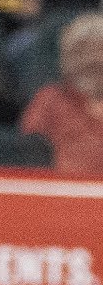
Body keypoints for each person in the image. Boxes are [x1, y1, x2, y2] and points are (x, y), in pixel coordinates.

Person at [21, 11, 103, 174]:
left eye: (100, 50)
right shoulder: (49, 99)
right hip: (63, 185)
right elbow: (29, 151)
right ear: (65, 59)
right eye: (81, 52)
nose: (93, 59)